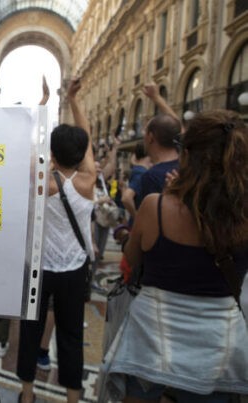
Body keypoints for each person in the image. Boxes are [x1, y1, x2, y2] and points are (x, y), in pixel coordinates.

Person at [103, 110, 248, 401]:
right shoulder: (243, 216)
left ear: (187, 155)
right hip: (219, 352)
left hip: (151, 346)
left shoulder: (156, 207)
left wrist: (126, 230)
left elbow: (132, 258)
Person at [17, 78, 96, 403]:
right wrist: (74, 100)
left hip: (40, 267)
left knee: (30, 330)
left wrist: (44, 103)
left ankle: (27, 394)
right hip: (74, 269)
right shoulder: (88, 181)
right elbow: (86, 137)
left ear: (51, 152)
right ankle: (73, 398)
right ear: (81, 153)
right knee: (71, 335)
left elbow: (28, 144)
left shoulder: (41, 180)